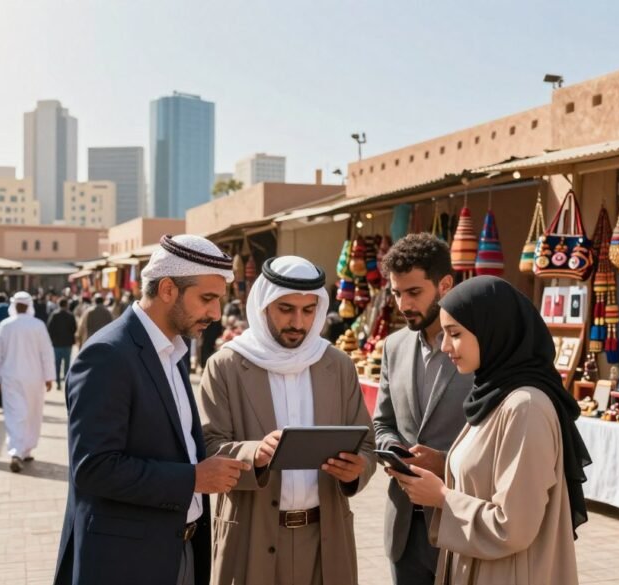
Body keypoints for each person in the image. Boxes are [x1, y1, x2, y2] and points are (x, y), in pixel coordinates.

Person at [54, 234, 251, 585]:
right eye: (207, 299)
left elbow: (176, 446)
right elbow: (93, 468)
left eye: (219, 301)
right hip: (127, 564)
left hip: (181, 551)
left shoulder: (171, 352)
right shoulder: (108, 356)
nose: (217, 313)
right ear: (167, 290)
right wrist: (194, 478)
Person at [387, 276, 591, 585]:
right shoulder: (494, 395)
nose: (445, 346)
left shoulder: (526, 407)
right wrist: (443, 465)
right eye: (443, 334)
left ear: (492, 330)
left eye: (454, 334)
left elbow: (513, 525)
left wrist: (442, 497)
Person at [200, 256, 376, 585]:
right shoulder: (226, 366)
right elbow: (208, 446)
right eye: (286, 309)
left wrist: (356, 470)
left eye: (308, 311)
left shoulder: (337, 365)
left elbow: (366, 444)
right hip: (253, 536)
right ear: (264, 305)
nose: (298, 322)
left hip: (325, 538)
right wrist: (256, 454)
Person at [373, 233, 474, 585]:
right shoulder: (394, 346)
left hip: (461, 524)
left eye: (413, 292)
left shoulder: (481, 347)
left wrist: (445, 464)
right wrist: (392, 451)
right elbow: (382, 422)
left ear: (445, 284)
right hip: (403, 529)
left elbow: (498, 443)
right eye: (396, 293)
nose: (403, 304)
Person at [0, 291, 55, 472]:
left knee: (15, 413)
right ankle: (18, 451)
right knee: (31, 414)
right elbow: (46, 353)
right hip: (34, 378)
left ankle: (23, 450)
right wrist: (50, 377)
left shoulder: (5, 325)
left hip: (11, 377)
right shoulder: (38, 325)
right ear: (29, 306)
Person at [47, 298, 77, 386]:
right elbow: (74, 328)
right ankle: (66, 380)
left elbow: (50, 328)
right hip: (68, 343)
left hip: (56, 343)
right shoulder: (70, 315)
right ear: (66, 305)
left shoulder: (54, 315)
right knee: (67, 363)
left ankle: (58, 381)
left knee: (57, 363)